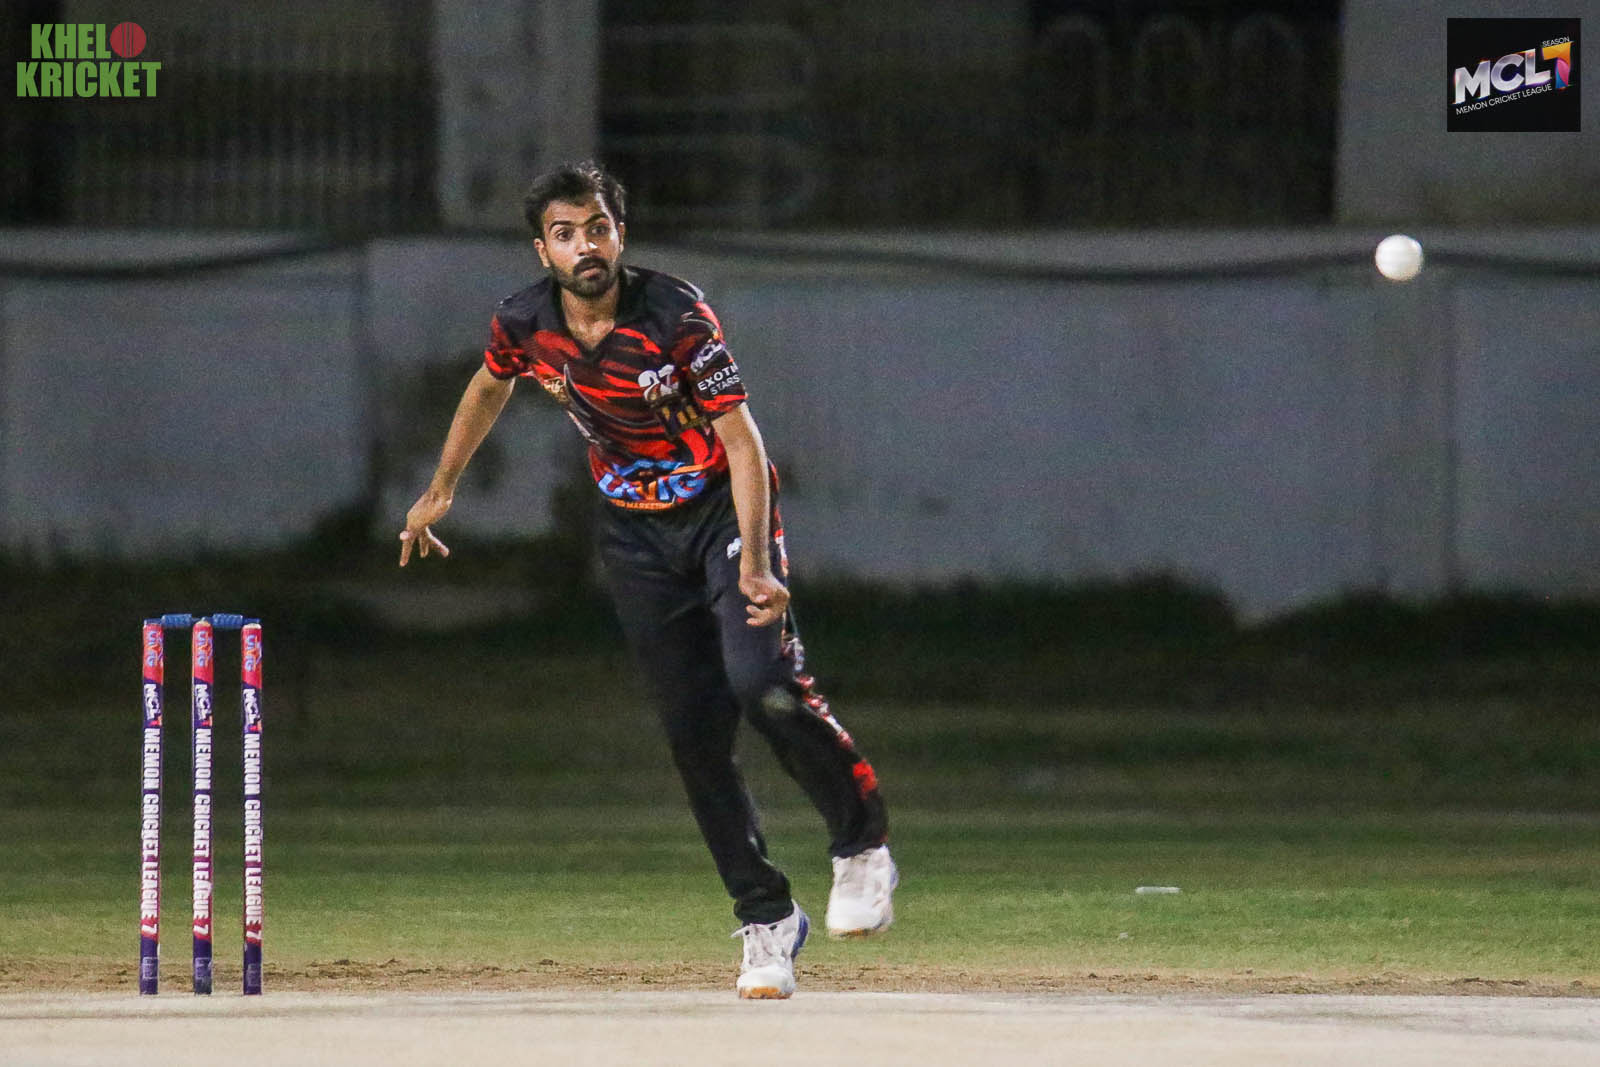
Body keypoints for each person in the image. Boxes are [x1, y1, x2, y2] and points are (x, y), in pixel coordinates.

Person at [397, 160, 895, 1000]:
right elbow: (488, 383)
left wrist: (755, 561)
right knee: (693, 734)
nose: (585, 246)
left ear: (620, 234)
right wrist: (442, 487)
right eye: (565, 234)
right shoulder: (524, 321)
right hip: (633, 533)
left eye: (597, 228)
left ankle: (861, 842)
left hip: (721, 512)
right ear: (543, 250)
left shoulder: (676, 316)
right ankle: (767, 918)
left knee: (762, 683)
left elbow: (743, 444)